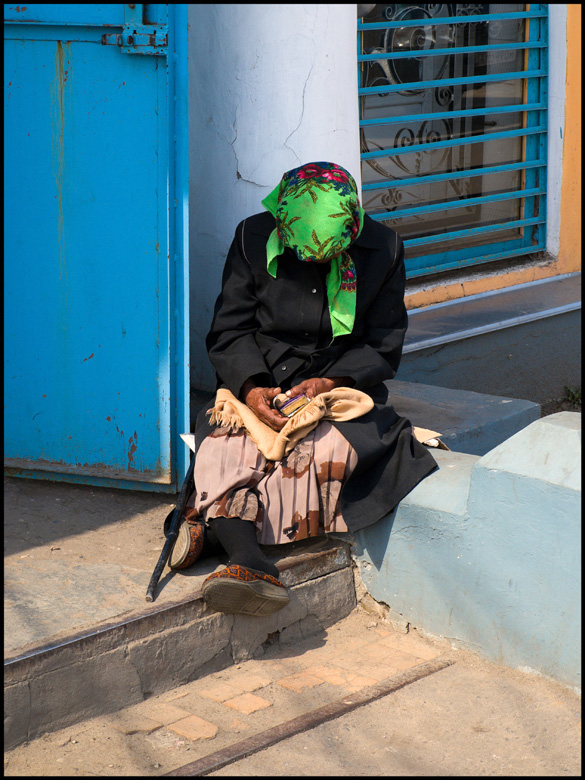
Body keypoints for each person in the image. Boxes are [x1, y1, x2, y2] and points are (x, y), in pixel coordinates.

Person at [175, 161, 437, 616]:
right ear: (281, 220)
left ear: (352, 227)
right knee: (227, 441)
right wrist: (255, 392)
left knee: (316, 455)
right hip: (261, 379)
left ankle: (221, 532)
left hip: (338, 385)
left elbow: (382, 343)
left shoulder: (386, 249)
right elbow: (230, 330)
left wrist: (326, 383)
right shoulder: (251, 239)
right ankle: (250, 561)